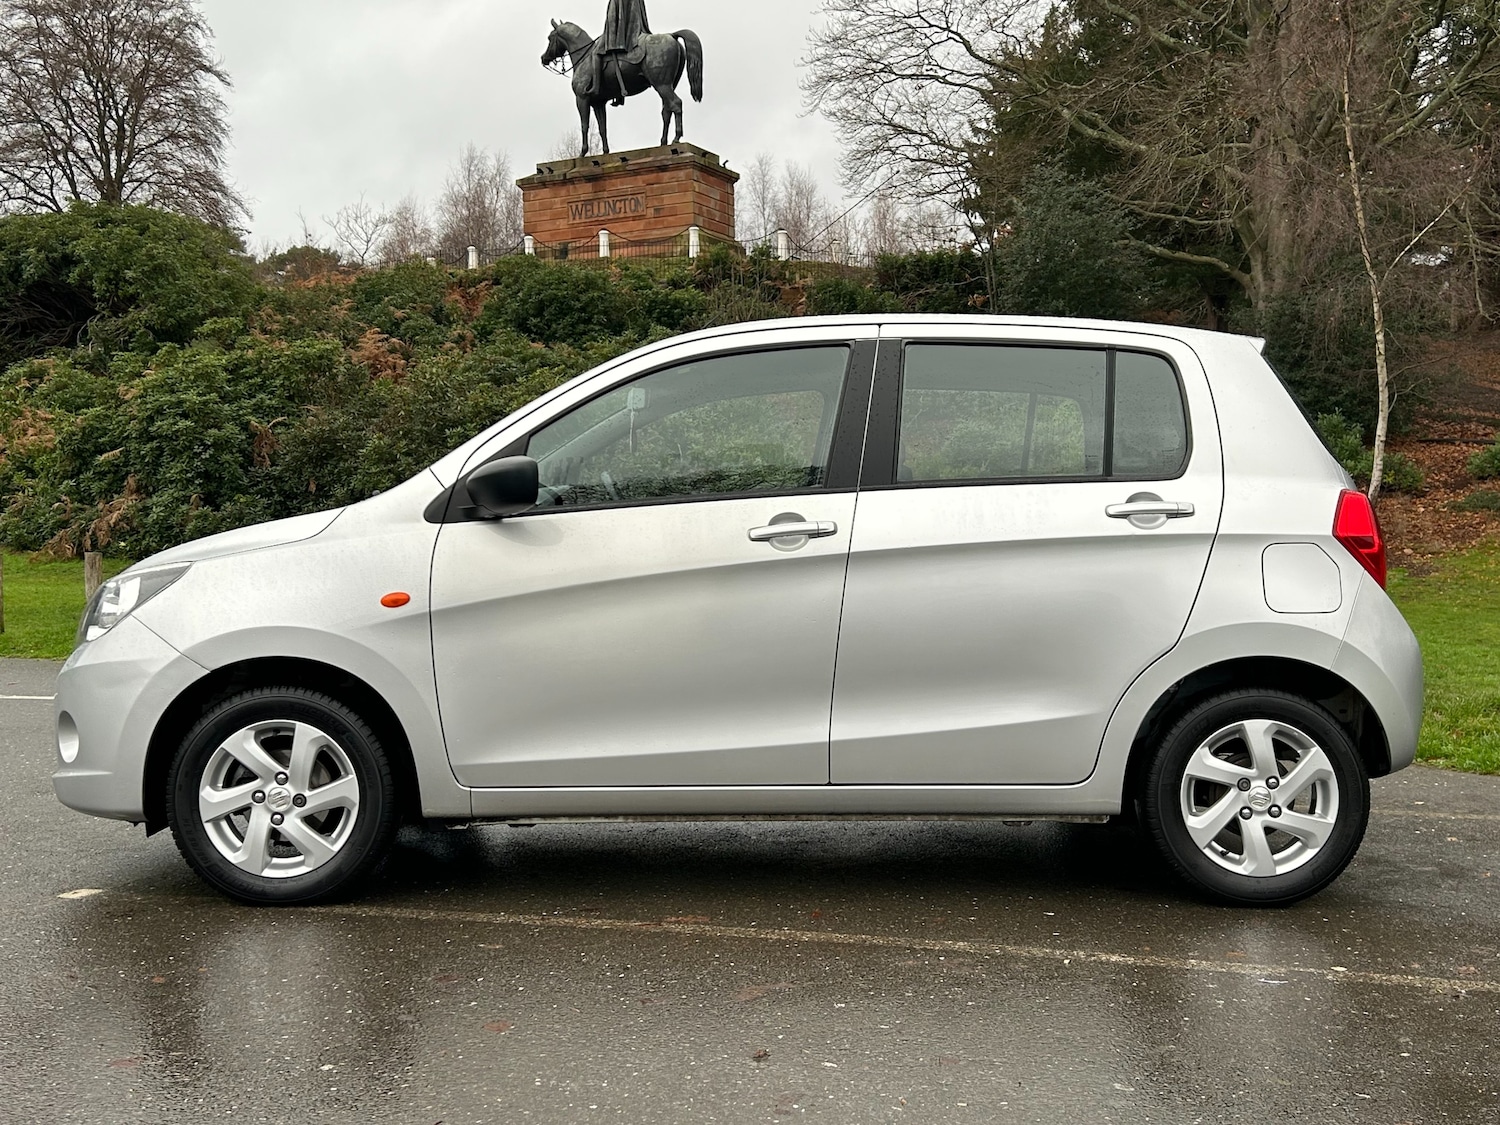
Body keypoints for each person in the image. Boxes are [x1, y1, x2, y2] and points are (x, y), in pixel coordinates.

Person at [600, 0, 650, 106]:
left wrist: (610, 35)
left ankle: (595, 86)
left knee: (597, 51)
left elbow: (612, 19)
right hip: (634, 23)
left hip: (623, 26)